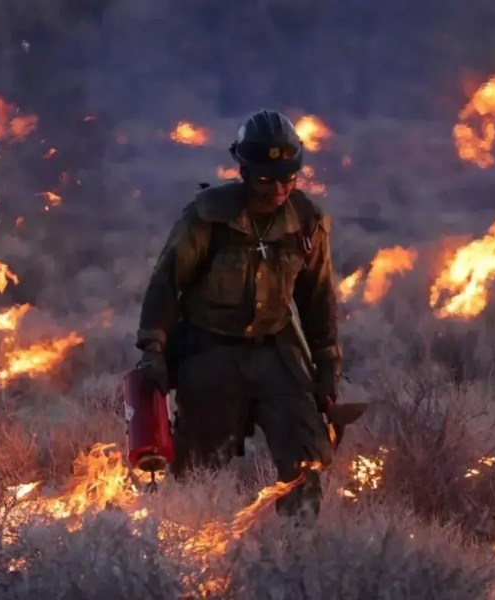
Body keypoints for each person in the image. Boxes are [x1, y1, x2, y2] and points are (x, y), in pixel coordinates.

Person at [135, 109, 341, 520]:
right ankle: (185, 548)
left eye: (288, 178)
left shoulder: (306, 221)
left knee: (304, 454)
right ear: (244, 171)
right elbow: (166, 282)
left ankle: (300, 557)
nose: (279, 189)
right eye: (267, 179)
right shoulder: (207, 217)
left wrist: (327, 364)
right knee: (198, 467)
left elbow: (317, 299)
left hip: (275, 349)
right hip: (210, 349)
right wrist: (153, 349)